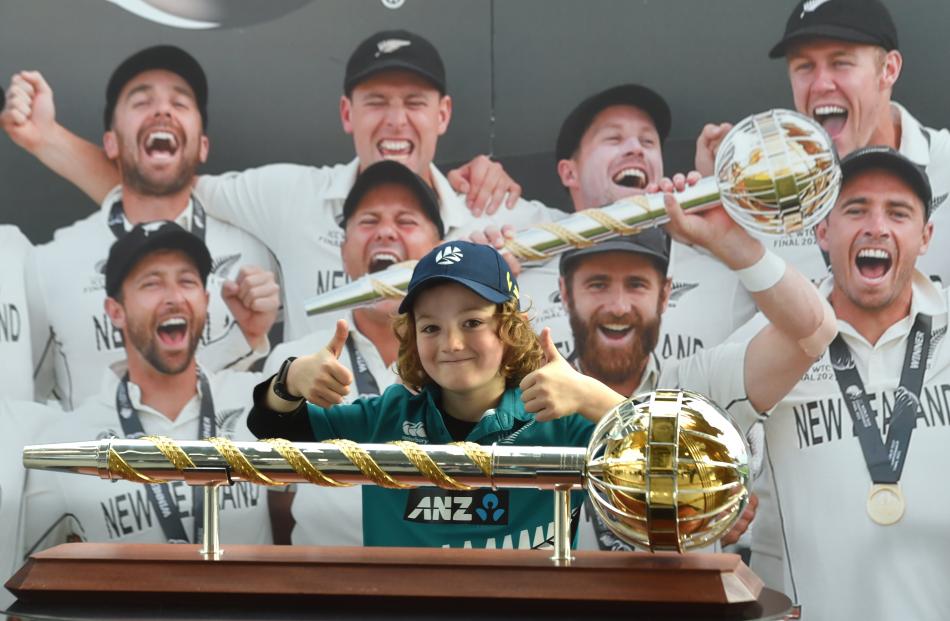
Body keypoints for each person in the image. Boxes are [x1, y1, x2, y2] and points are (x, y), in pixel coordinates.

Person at [2, 31, 555, 341]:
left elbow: (612, 245)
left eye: (414, 104)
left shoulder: (495, 212)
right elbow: (160, 189)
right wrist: (43, 137)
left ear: (444, 114)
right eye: (375, 103)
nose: (395, 121)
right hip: (320, 474)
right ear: (346, 113)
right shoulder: (289, 196)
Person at [733, 147, 950, 620]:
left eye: (898, 212)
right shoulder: (770, 338)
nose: (877, 226)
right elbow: (696, 431)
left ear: (926, 235)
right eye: (856, 209)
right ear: (823, 231)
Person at [9, 46, 280, 410]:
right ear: (111, 143)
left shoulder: (256, 253)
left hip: (221, 467)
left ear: (202, 146)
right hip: (96, 468)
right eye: (141, 102)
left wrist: (247, 338)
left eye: (180, 103)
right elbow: (28, 405)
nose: (163, 110)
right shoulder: (50, 263)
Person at [22, 222, 279, 551]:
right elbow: (35, 575)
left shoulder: (259, 403)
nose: (173, 298)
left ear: (204, 299)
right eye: (152, 283)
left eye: (186, 281)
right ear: (116, 312)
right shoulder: (67, 440)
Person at [476, 84, 754, 366]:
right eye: (614, 139)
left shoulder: (720, 269)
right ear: (569, 172)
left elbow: (795, 335)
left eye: (648, 142)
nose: (636, 149)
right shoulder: (517, 273)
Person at [697, 0, 950, 285]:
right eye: (804, 66)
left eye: (840, 63)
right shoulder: (758, 190)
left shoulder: (946, 165)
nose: (820, 84)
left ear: (889, 69)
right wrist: (721, 194)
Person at [264, 159, 445, 546]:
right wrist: (290, 385)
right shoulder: (297, 355)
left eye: (406, 221)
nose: (385, 232)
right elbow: (271, 474)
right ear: (345, 253)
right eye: (368, 221)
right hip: (325, 589)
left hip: (438, 579)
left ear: (437, 251)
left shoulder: (467, 357)